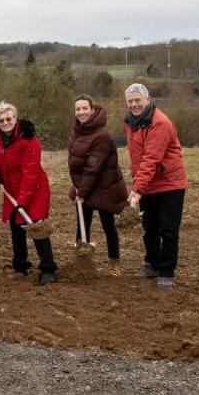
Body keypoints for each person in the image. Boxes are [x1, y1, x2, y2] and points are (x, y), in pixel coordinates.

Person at [123, 83, 188, 289]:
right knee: (149, 227)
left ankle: (167, 272)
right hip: (147, 183)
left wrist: (136, 189)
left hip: (169, 183)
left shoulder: (160, 123)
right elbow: (136, 156)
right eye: (130, 101)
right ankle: (152, 264)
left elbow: (151, 158)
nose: (134, 104)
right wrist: (138, 182)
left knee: (167, 230)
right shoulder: (130, 122)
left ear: (147, 100)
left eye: (137, 100)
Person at [0, 101, 58, 285]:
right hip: (12, 189)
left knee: (36, 225)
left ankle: (48, 268)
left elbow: (31, 172)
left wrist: (22, 201)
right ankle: (20, 265)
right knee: (16, 225)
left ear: (15, 118)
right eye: (2, 120)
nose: (6, 122)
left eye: (9, 119)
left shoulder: (28, 138)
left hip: (34, 189)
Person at [68, 94, 128, 276]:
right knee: (82, 226)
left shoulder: (102, 136)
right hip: (83, 187)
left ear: (92, 110)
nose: (81, 112)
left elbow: (93, 168)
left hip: (104, 188)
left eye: (85, 108)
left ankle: (114, 264)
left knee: (108, 225)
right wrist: (78, 187)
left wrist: (82, 193)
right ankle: (82, 264)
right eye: (78, 109)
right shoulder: (77, 130)